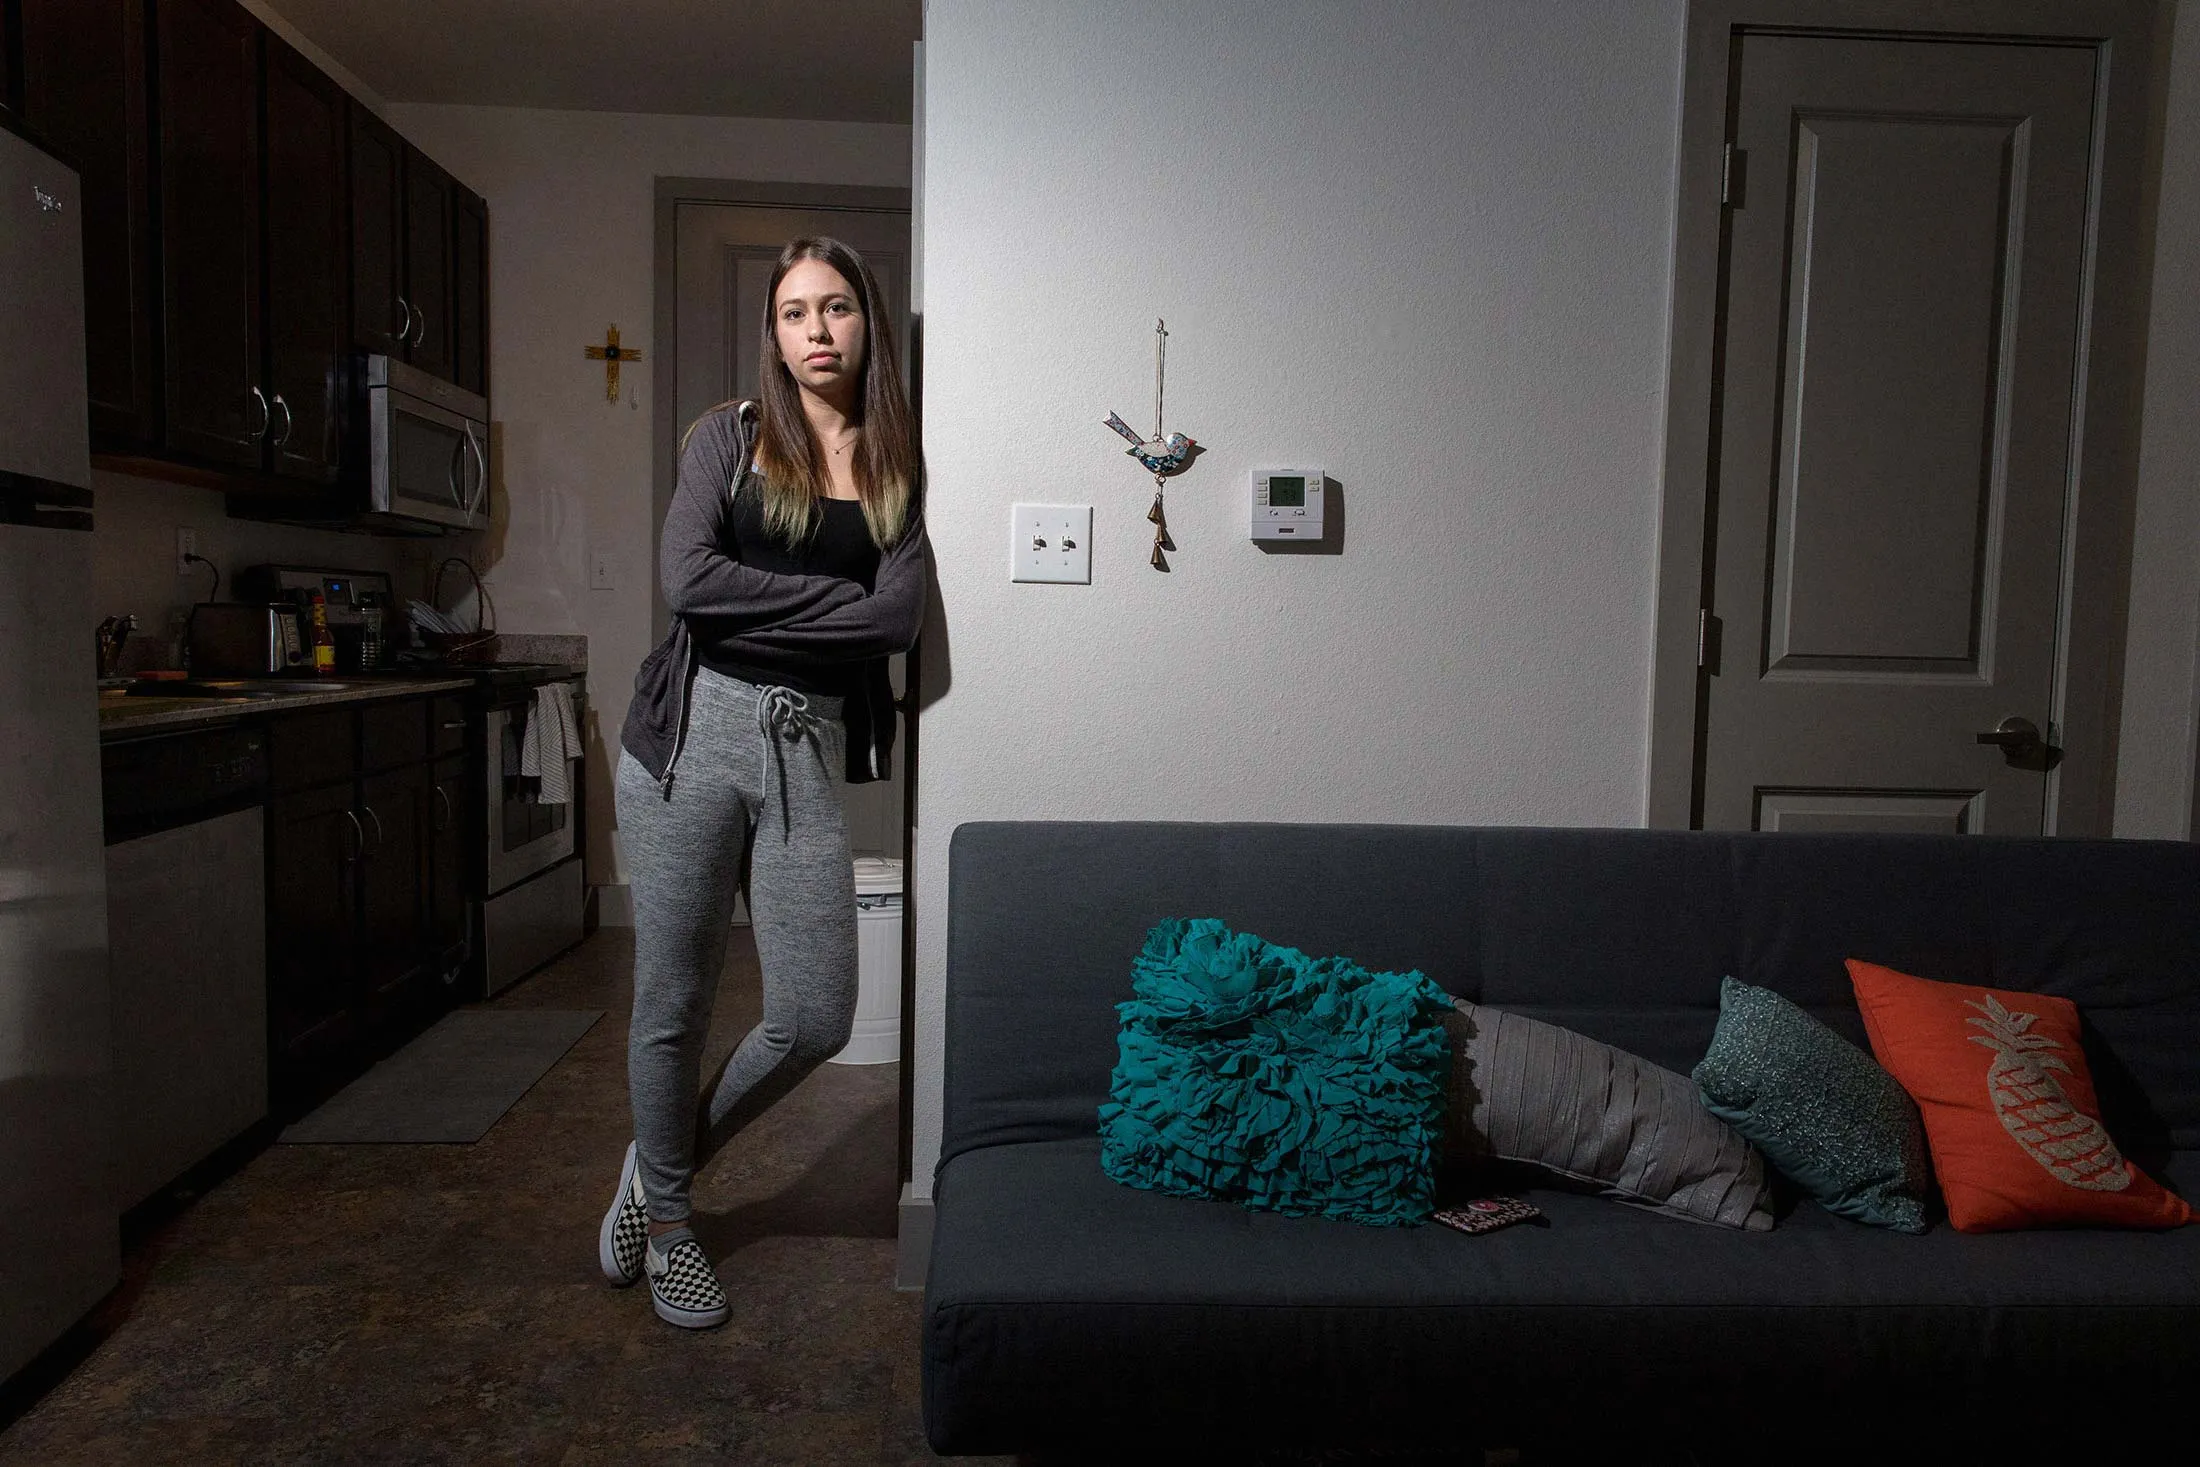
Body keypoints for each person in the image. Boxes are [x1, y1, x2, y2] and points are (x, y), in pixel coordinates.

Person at [599, 237, 926, 1328]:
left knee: (816, 1012)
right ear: (773, 333)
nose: (816, 331)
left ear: (867, 322)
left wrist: (772, 604)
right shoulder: (727, 439)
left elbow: (897, 620)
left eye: (836, 308)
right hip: (690, 740)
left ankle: (655, 1168)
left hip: (804, 752)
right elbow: (687, 580)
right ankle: (678, 1226)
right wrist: (833, 607)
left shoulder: (895, 463)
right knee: (675, 1000)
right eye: (794, 313)